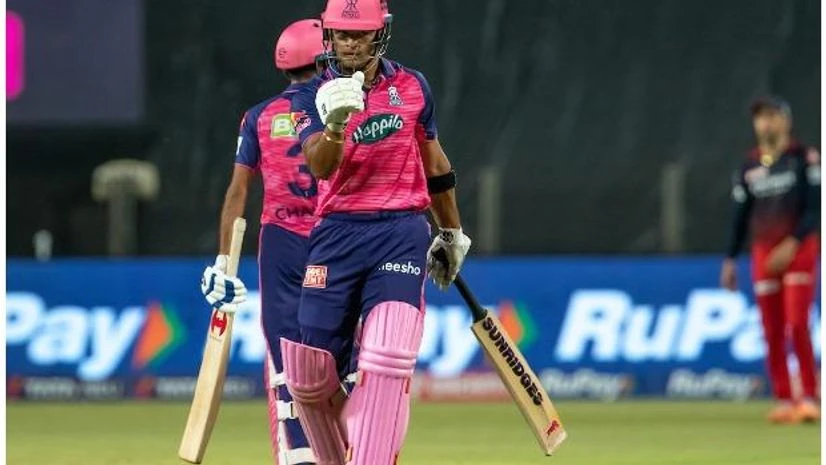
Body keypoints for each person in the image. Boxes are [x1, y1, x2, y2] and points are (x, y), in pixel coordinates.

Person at [278, 1, 471, 464]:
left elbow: (436, 166)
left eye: (360, 34)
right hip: (336, 234)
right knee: (306, 378)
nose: (350, 42)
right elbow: (320, 167)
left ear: (379, 34)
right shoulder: (308, 96)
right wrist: (338, 125)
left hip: (399, 231)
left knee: (386, 359)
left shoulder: (412, 86)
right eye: (342, 34)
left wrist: (451, 233)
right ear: (328, 34)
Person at [200, 19, 332, 465]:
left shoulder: (258, 115)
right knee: (337, 347)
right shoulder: (340, 108)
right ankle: (343, 439)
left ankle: (297, 450)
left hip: (279, 242)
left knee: (283, 349)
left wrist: (223, 261)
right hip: (334, 238)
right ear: (323, 56)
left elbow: (237, 191)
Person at [720, 96, 820, 424]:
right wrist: (731, 259)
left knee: (796, 322)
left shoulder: (804, 158)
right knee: (771, 328)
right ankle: (784, 398)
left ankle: (808, 395)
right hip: (764, 251)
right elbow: (739, 215)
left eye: (772, 116)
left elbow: (815, 208)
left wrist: (793, 243)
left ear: (785, 121)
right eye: (760, 118)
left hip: (799, 246)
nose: (765, 123)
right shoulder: (749, 166)